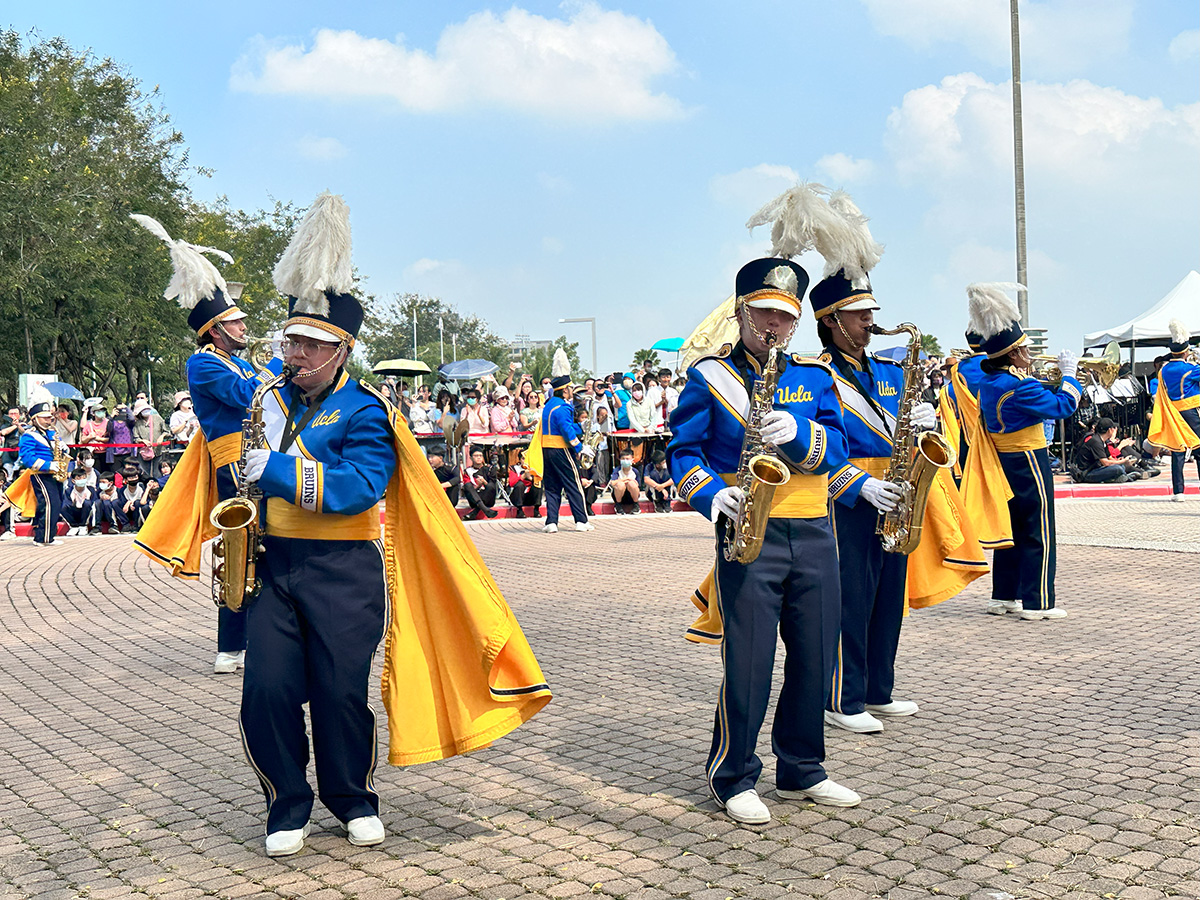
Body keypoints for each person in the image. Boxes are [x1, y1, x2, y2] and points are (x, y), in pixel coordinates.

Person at [221, 194, 547, 856]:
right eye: (292, 342)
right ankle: (287, 802)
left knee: (341, 693)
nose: (296, 355)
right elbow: (243, 479)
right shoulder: (268, 400)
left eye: (311, 345)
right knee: (268, 692)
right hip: (272, 566)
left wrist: (277, 472)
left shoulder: (367, 410)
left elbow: (359, 487)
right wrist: (231, 512)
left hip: (344, 570)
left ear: (341, 350)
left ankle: (351, 797)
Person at [667, 256, 859, 825]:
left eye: (785, 316)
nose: (774, 326)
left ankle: (802, 767)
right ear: (742, 312)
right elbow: (682, 452)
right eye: (764, 313)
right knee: (749, 658)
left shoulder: (815, 376)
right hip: (749, 527)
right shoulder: (709, 377)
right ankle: (732, 775)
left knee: (815, 654)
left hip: (815, 529)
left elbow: (842, 452)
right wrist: (707, 495)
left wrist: (802, 433)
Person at [129, 213, 277, 675]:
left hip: (259, 458)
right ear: (215, 329)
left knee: (268, 549)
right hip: (233, 463)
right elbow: (250, 396)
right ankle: (230, 646)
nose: (244, 326)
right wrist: (272, 365)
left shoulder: (238, 361)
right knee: (242, 549)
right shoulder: (205, 364)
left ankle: (260, 638)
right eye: (235, 322)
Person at [813, 264, 937, 734]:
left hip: (898, 491)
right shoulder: (814, 375)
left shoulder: (890, 369)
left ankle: (875, 690)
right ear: (831, 320)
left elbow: (902, 428)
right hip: (848, 498)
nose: (870, 321)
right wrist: (857, 485)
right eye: (859, 314)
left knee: (889, 594)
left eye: (871, 313)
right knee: (852, 596)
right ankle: (841, 698)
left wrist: (928, 419)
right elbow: (810, 450)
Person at [963, 283, 1080, 621]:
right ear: (1012, 355)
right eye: (1025, 350)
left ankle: (1004, 596)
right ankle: (1038, 601)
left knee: (1011, 530)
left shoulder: (992, 382)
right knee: (1038, 529)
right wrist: (1070, 375)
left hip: (1004, 461)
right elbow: (1064, 405)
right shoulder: (1020, 385)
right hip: (1028, 460)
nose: (1029, 354)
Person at [1148, 319, 1200, 501]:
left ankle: (1178, 492)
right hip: (1190, 411)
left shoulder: (1163, 370)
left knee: (1177, 450)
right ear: (1186, 351)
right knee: (1199, 449)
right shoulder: (1190, 368)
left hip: (1172, 412)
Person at [8, 388, 65, 545]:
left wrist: (63, 450)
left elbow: (60, 448)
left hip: (55, 473)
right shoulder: (28, 435)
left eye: (50, 417)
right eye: (45, 418)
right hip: (40, 473)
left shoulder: (51, 433)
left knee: (57, 503)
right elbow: (27, 458)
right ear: (35, 418)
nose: (49, 420)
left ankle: (48, 535)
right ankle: (43, 538)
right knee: (49, 503)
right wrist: (48, 465)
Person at [131, 398, 167, 478]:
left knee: (157, 472)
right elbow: (135, 437)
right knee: (145, 472)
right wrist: (142, 441)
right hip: (144, 452)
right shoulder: (137, 423)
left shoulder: (157, 418)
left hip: (158, 450)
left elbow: (167, 431)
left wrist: (162, 436)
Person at [463, 447, 500, 518]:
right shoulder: (467, 471)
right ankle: (485, 510)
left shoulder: (490, 469)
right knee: (467, 485)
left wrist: (484, 482)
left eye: (480, 456)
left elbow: (493, 486)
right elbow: (468, 488)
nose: (479, 458)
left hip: (488, 499)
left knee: (490, 486)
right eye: (476, 456)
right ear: (471, 458)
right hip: (474, 499)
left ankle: (477, 511)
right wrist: (478, 486)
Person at [507, 449, 542, 518]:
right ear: (519, 460)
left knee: (538, 483)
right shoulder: (514, 468)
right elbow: (511, 483)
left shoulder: (534, 469)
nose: (525, 461)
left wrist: (530, 478)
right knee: (520, 484)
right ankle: (519, 511)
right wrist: (522, 477)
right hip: (517, 497)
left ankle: (536, 509)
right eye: (523, 459)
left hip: (529, 497)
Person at [79, 405, 113, 473]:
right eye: (99, 411)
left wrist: (99, 439)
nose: (101, 413)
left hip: (107, 453)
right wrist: (89, 437)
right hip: (94, 453)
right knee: (96, 472)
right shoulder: (89, 425)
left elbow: (111, 438)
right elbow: (83, 440)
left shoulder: (108, 423)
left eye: (103, 411)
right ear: (93, 413)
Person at [610, 448, 643, 514]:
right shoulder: (617, 470)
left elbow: (638, 485)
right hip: (619, 495)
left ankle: (636, 505)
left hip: (631, 496)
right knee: (620, 484)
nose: (625, 461)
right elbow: (612, 483)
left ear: (632, 460)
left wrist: (630, 482)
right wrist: (623, 480)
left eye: (627, 459)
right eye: (623, 459)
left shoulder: (635, 471)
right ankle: (618, 506)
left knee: (632, 484)